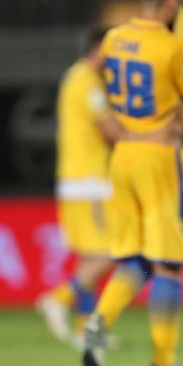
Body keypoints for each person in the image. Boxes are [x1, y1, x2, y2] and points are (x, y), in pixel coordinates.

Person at [81, 0, 183, 366]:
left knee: (135, 260)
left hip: (123, 156)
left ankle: (99, 319)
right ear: (173, 1)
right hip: (159, 158)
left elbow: (94, 74)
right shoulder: (171, 47)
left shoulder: (115, 38)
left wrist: (117, 116)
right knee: (169, 264)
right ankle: (163, 364)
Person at [37, 25, 122, 347]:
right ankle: (58, 299)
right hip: (90, 181)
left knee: (90, 259)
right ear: (99, 48)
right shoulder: (87, 81)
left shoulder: (76, 78)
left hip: (77, 180)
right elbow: (109, 130)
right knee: (112, 251)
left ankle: (87, 329)